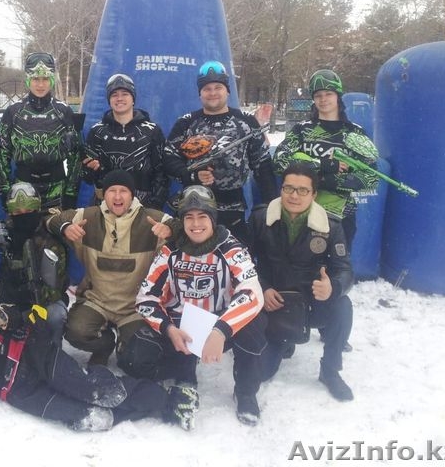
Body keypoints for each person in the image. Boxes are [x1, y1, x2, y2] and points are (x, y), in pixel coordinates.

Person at [0, 273, 201, 431]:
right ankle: (141, 401)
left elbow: (9, 314)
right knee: (90, 417)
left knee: (91, 389)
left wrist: (7, 317)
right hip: (8, 388)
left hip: (24, 351)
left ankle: (167, 402)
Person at [124, 185, 267, 425]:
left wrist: (220, 331)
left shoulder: (231, 248)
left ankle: (245, 391)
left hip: (220, 324)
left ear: (213, 219)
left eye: (202, 216)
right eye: (189, 217)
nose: (196, 224)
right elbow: (146, 297)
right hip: (182, 326)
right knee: (137, 356)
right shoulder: (170, 251)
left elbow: (252, 292)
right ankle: (183, 372)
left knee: (254, 324)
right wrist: (169, 329)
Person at [45, 170, 180, 367]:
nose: (117, 197)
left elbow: (185, 228)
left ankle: (125, 346)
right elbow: (50, 219)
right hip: (97, 302)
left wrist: (171, 230)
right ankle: (104, 346)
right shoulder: (88, 217)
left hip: (135, 307)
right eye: (112, 191)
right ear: (103, 194)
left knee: (139, 356)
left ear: (132, 195)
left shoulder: (151, 219)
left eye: (123, 191)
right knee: (76, 332)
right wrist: (65, 227)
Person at [247, 162, 355, 402]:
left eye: (303, 190)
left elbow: (345, 270)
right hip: (274, 303)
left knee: (342, 305)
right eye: (288, 188)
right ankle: (283, 340)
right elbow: (242, 261)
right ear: (281, 189)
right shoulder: (260, 218)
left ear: (314, 194)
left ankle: (330, 370)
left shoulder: (331, 226)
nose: (294, 196)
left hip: (310, 303)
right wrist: (263, 288)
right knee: (261, 373)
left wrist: (333, 286)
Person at [164, 60, 276, 242]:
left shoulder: (246, 122)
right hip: (193, 210)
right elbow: (168, 158)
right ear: (200, 93)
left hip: (233, 210)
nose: (213, 93)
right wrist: (192, 176)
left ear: (227, 91)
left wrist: (272, 204)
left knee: (234, 257)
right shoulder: (186, 123)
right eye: (207, 88)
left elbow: (263, 165)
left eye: (218, 87)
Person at [273, 68, 378, 249]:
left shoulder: (354, 132)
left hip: (341, 216)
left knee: (338, 264)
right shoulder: (302, 130)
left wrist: (327, 181)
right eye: (318, 95)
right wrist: (321, 165)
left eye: (328, 94)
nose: (323, 99)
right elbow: (279, 161)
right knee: (300, 263)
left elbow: (371, 178)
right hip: (302, 213)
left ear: (338, 96)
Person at [0, 182, 69, 336]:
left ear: (37, 209)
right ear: (10, 212)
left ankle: (52, 346)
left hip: (43, 304)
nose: (23, 216)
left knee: (55, 316)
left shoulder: (49, 237)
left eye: (28, 211)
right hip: (9, 303)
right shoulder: (4, 231)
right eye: (17, 212)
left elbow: (55, 289)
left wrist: (24, 309)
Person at [0, 52, 81, 212]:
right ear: (28, 79)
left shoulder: (64, 111)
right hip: (22, 190)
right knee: (25, 229)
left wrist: (71, 193)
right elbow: (1, 154)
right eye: (35, 79)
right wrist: (5, 191)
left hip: (57, 189)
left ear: (52, 80)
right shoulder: (13, 112)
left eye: (45, 79)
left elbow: (75, 156)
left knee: (56, 228)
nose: (40, 85)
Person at [82, 73, 169, 210]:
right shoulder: (97, 131)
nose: (119, 98)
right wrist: (90, 170)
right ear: (109, 100)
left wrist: (154, 206)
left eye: (125, 94)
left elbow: (162, 173)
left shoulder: (152, 131)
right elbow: (87, 177)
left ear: (133, 99)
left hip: (142, 205)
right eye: (114, 95)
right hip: (106, 205)